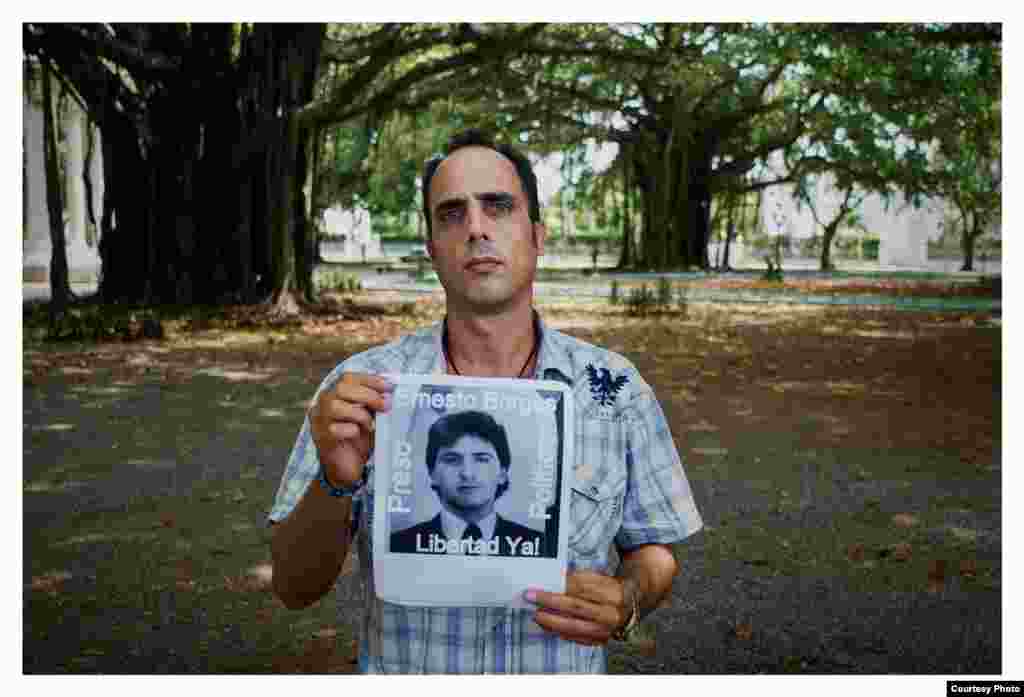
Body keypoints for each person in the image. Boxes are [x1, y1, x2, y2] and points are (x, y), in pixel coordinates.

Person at [268, 129, 703, 674]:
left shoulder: (614, 389)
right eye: (451, 214)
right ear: (431, 250)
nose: (476, 228)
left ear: (537, 235)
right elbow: (292, 587)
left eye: (498, 206)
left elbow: (655, 549)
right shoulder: (362, 389)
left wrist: (629, 597)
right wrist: (335, 480)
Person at [389, 410, 547, 557]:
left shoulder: (537, 545)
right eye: (452, 460)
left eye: (481, 459)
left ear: (502, 473)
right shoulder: (398, 544)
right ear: (432, 473)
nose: (467, 473)